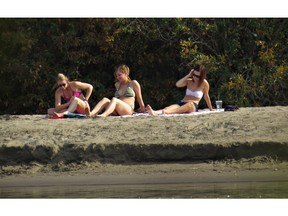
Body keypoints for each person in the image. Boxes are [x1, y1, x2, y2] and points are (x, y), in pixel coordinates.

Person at [146, 65, 213, 115]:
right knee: (167, 108)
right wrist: (189, 75)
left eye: (198, 76)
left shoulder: (204, 83)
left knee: (189, 105)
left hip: (193, 105)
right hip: (182, 102)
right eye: (194, 75)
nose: (195, 77)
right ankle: (155, 112)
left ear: (202, 76)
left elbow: (206, 96)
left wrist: (210, 109)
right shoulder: (189, 81)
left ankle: (166, 113)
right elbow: (178, 84)